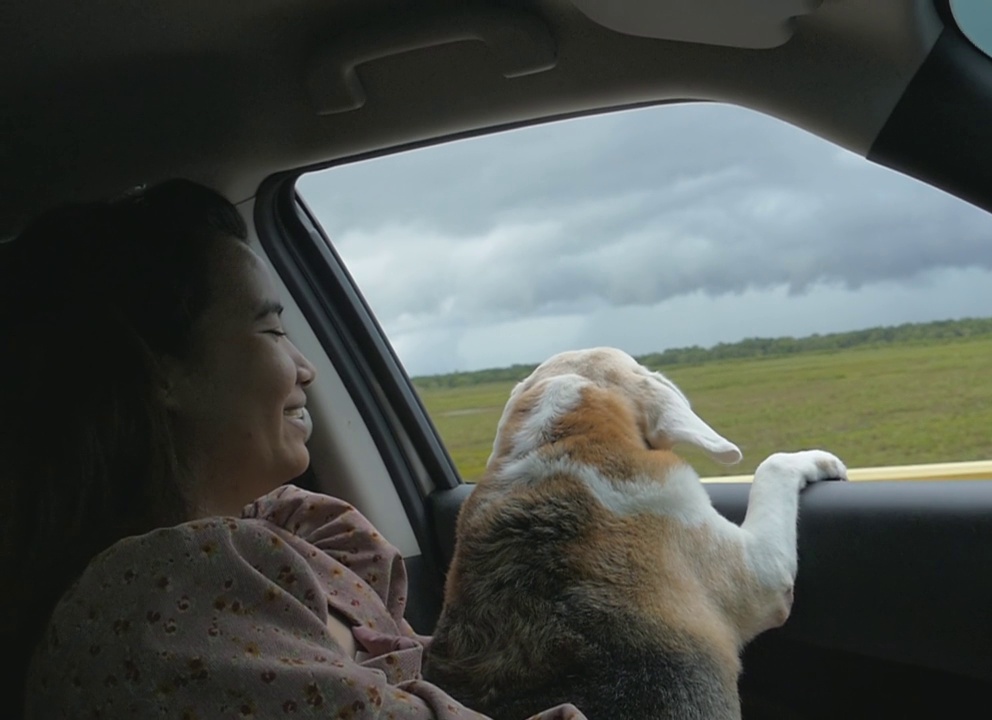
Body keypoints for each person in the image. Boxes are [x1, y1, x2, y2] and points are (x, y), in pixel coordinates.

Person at [0, 179, 584, 719]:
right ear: (158, 371)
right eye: (274, 330)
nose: (306, 369)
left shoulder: (254, 550)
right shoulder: (163, 597)